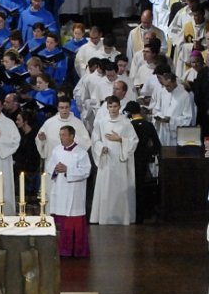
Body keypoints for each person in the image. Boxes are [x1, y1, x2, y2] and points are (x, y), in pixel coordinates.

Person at [88, 96, 139, 225]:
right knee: (105, 188)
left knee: (119, 187)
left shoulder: (126, 123)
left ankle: (121, 217)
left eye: (115, 106)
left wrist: (121, 139)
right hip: (106, 160)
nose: (113, 109)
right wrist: (101, 148)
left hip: (120, 161)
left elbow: (134, 141)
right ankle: (104, 217)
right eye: (110, 106)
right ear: (107, 108)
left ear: (119, 106)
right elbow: (95, 140)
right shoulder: (102, 122)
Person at [45, 125, 93, 258]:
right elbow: (49, 167)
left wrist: (68, 170)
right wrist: (55, 168)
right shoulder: (56, 150)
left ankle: (76, 250)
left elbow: (86, 171)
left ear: (72, 136)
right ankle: (61, 250)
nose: (61, 137)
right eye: (60, 135)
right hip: (60, 191)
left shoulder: (81, 153)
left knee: (73, 221)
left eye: (64, 135)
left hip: (74, 193)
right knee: (60, 221)